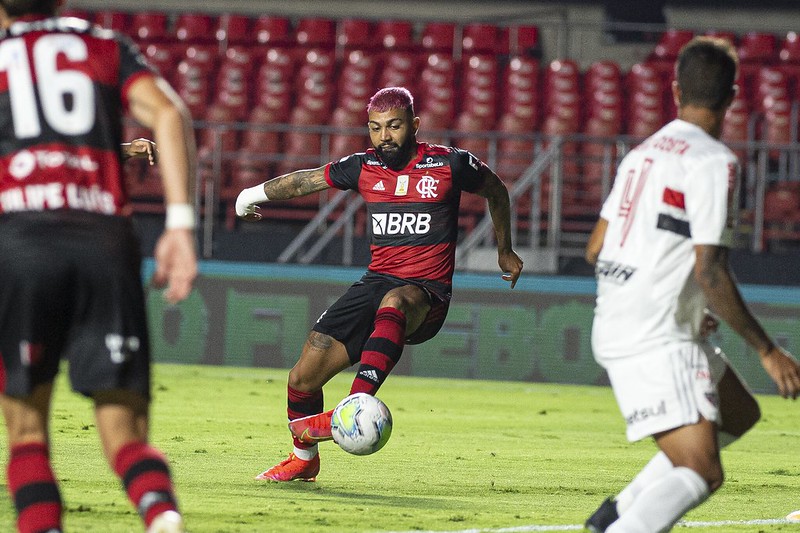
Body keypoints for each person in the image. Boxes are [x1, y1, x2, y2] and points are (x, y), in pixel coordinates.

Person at [236, 86, 523, 481]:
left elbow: (496, 190)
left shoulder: (450, 164)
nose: (384, 137)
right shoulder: (363, 166)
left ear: (415, 126)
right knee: (302, 376)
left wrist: (504, 249)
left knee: (396, 300)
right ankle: (304, 460)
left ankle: (355, 405)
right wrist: (249, 195)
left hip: (427, 293)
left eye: (394, 127)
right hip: (376, 281)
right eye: (375, 128)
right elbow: (305, 181)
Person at [583, 37, 800, 532]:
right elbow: (711, 271)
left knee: (738, 413)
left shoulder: (641, 154)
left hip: (624, 316)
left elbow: (596, 247)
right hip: (657, 332)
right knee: (702, 470)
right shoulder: (714, 162)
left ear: (676, 89)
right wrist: (768, 351)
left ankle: (612, 517)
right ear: (732, 97)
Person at [0, 2, 198, 532]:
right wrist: (180, 224)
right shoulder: (105, 47)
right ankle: (160, 514)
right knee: (126, 434)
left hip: (21, 244)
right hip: (103, 242)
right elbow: (170, 114)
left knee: (25, 433)